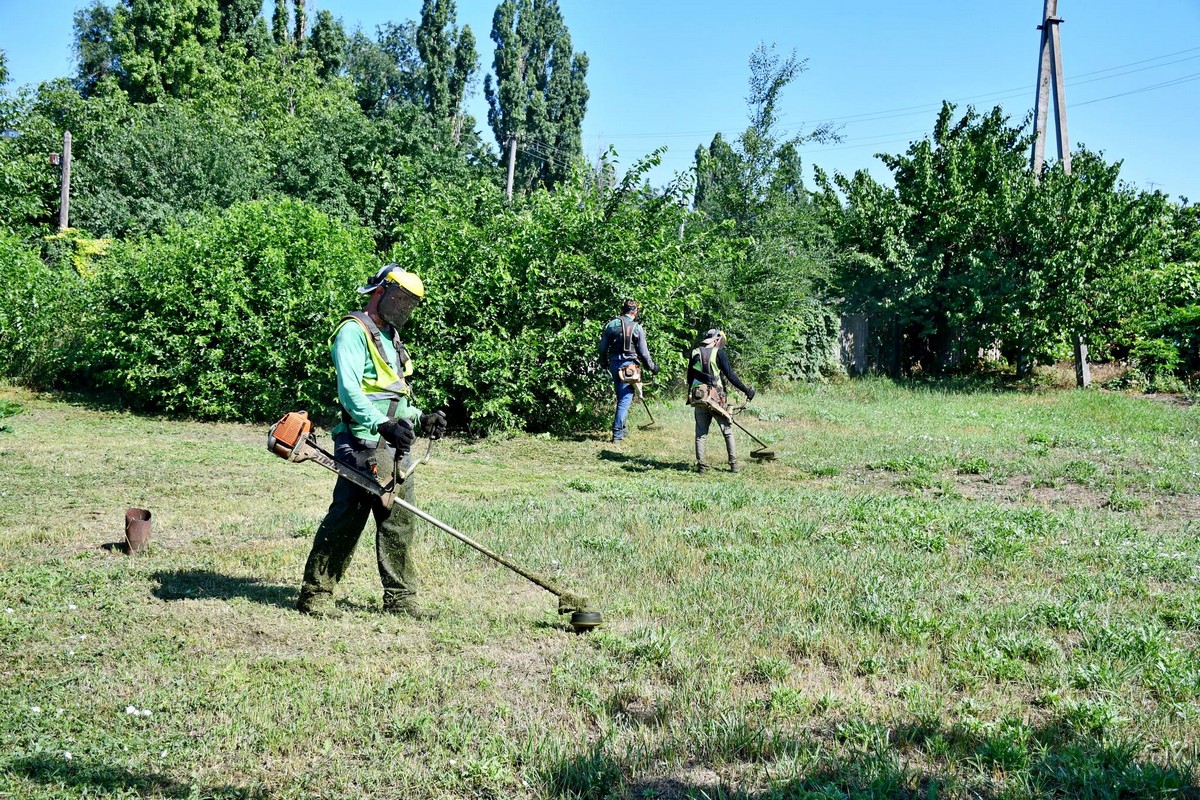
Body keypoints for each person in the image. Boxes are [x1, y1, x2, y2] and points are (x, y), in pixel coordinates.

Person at [296, 264, 448, 619]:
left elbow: (394, 395)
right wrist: (382, 424)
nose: (404, 309)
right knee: (347, 518)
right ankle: (315, 596)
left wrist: (420, 418)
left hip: (395, 444)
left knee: (398, 521)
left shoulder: (391, 337)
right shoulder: (353, 331)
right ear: (380, 292)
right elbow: (351, 392)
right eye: (401, 300)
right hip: (362, 441)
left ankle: (401, 601)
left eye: (411, 304)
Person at [687, 328, 755, 474]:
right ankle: (734, 464)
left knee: (700, 433)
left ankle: (702, 467)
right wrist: (747, 390)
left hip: (700, 397)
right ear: (716, 340)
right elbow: (731, 376)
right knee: (727, 430)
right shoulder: (719, 353)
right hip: (716, 398)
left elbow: (689, 378)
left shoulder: (695, 352)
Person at [597, 299, 658, 442]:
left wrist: (603, 362)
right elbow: (643, 353)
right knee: (625, 399)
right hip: (629, 369)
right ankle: (617, 434)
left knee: (621, 397)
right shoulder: (637, 327)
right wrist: (653, 367)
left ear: (622, 310)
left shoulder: (611, 325)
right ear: (635, 312)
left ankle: (623, 431)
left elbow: (602, 348)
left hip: (614, 365)